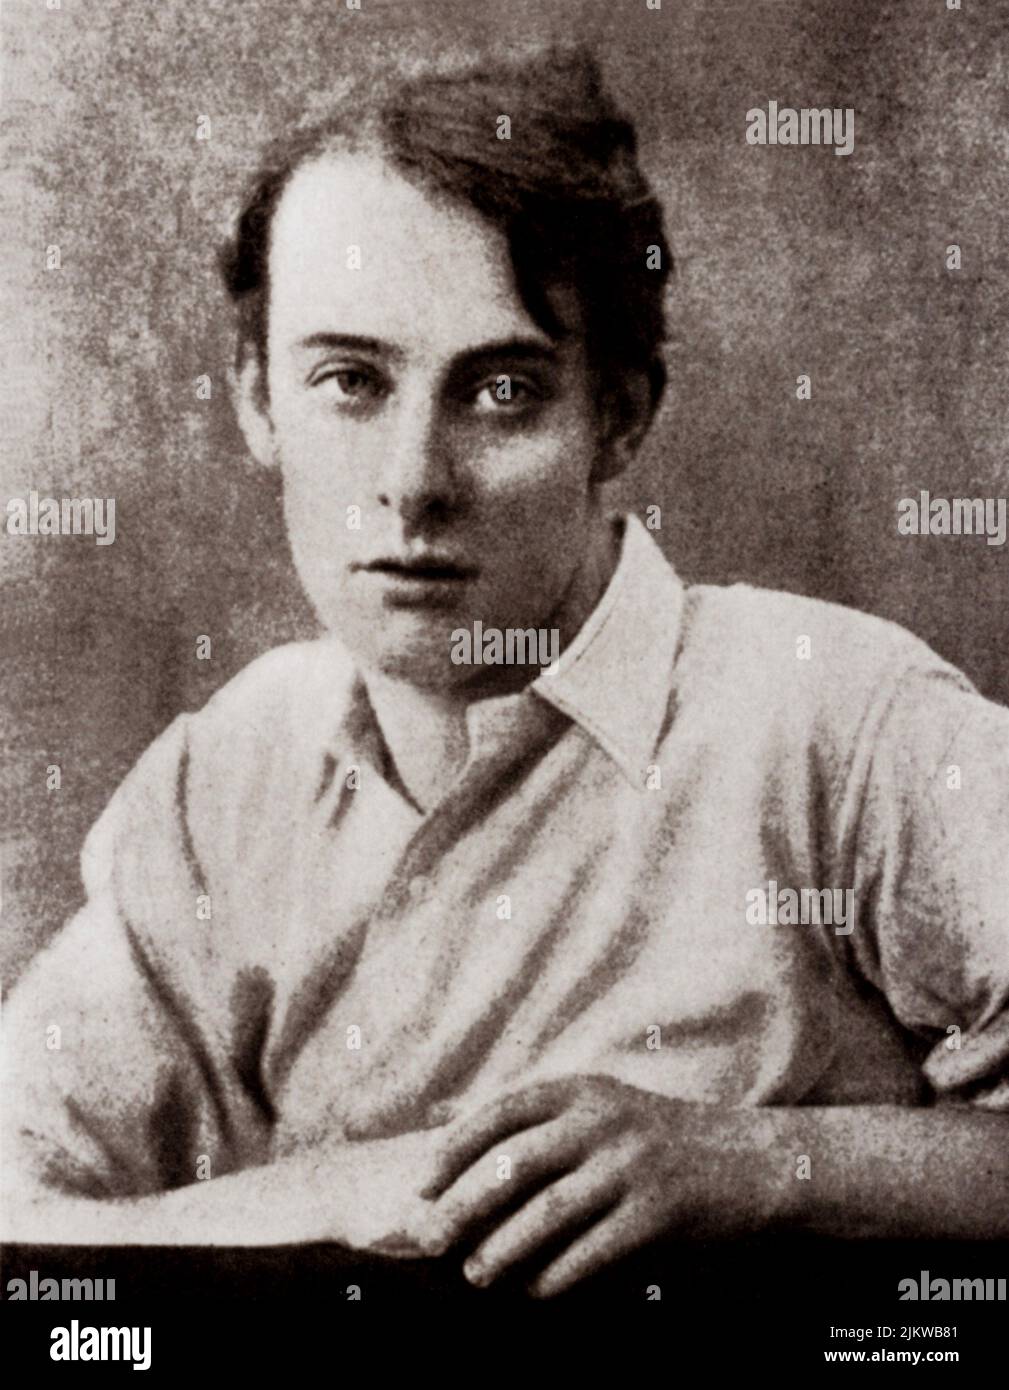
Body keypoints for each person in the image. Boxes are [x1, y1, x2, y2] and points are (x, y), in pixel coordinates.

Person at [3, 46, 1008, 1299]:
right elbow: (16, 1207)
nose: (412, 482)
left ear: (618, 416)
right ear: (258, 399)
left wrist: (765, 1164)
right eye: (349, 382)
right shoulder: (224, 783)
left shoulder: (838, 719)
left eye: (500, 390)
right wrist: (356, 1196)